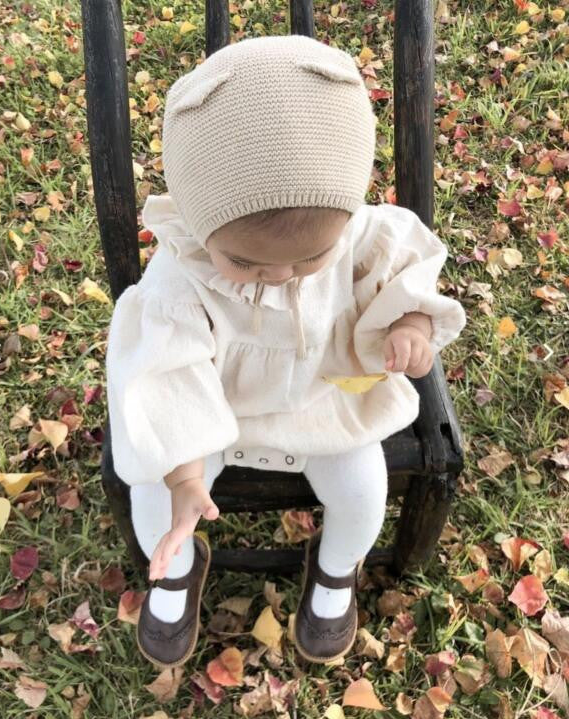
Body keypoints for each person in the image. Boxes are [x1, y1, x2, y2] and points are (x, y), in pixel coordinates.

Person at [105, 34, 467, 669]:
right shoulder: (182, 273)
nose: (278, 276)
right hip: (212, 414)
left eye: (309, 258)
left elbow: (405, 264)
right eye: (245, 262)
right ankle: (177, 568)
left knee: (362, 490)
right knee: (155, 495)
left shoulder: (356, 232)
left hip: (323, 397)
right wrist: (184, 477)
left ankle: (335, 570)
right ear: (198, 221)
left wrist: (409, 320)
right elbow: (166, 374)